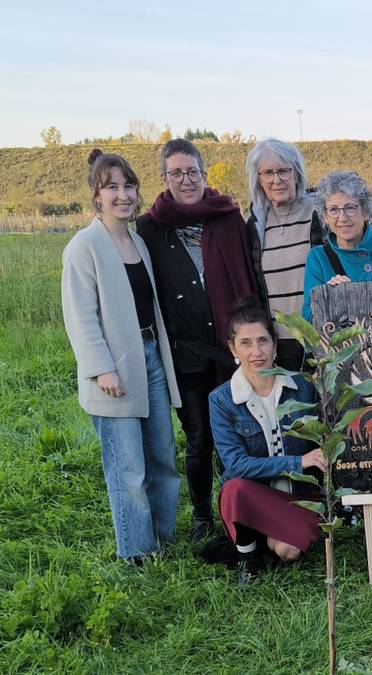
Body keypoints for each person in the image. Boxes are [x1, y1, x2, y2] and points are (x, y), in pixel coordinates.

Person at [137, 138, 259, 542]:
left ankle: (236, 505)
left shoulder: (227, 218)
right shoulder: (151, 228)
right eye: (176, 173)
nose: (185, 180)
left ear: (204, 174)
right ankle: (203, 514)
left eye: (192, 171)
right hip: (185, 355)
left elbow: (246, 276)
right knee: (199, 436)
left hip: (230, 350)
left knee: (236, 431)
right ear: (164, 177)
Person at [62, 150, 181, 563]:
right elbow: (80, 315)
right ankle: (136, 552)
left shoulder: (138, 243)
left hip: (150, 358)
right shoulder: (84, 246)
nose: (122, 195)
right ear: (97, 195)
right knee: (128, 467)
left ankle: (163, 541)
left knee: (163, 458)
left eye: (128, 185)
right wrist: (102, 368)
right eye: (111, 187)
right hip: (115, 368)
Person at [209, 299, 326, 583]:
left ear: (274, 344)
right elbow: (235, 465)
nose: (256, 351)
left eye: (263, 340)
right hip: (250, 498)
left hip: (297, 497)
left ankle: (258, 539)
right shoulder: (222, 400)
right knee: (236, 488)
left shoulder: (303, 388)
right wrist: (298, 461)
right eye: (246, 343)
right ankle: (247, 560)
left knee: (288, 551)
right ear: (233, 348)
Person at [245, 138, 324, 371]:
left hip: (319, 338)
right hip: (278, 344)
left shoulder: (320, 214)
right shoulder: (256, 224)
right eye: (267, 173)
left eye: (283, 171)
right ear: (258, 180)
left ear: (296, 174)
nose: (276, 180)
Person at [302, 170, 372, 321]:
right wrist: (331, 298)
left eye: (350, 208)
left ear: (366, 211)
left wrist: (352, 295)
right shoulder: (318, 257)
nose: (342, 218)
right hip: (343, 344)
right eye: (333, 210)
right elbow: (308, 317)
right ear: (325, 217)